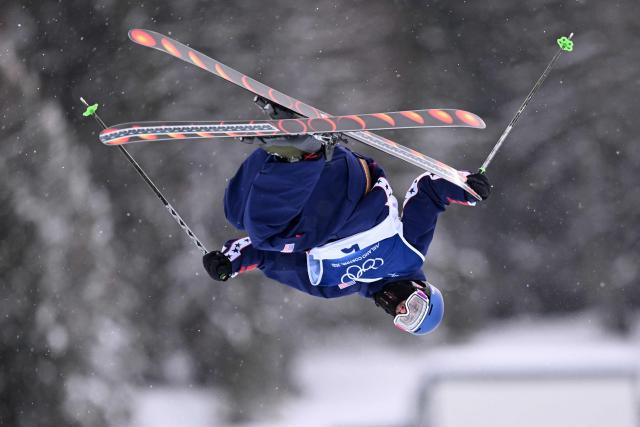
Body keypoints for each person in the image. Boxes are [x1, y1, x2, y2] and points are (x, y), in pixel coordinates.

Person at [202, 106, 491, 336]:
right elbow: (429, 190)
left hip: (316, 196)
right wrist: (465, 188)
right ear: (422, 290)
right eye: (415, 307)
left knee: (237, 212)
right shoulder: (410, 252)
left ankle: (286, 144)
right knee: (269, 234)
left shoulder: (330, 285)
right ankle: (305, 150)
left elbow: (269, 259)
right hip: (351, 188)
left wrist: (230, 263)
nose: (401, 308)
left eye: (405, 318)